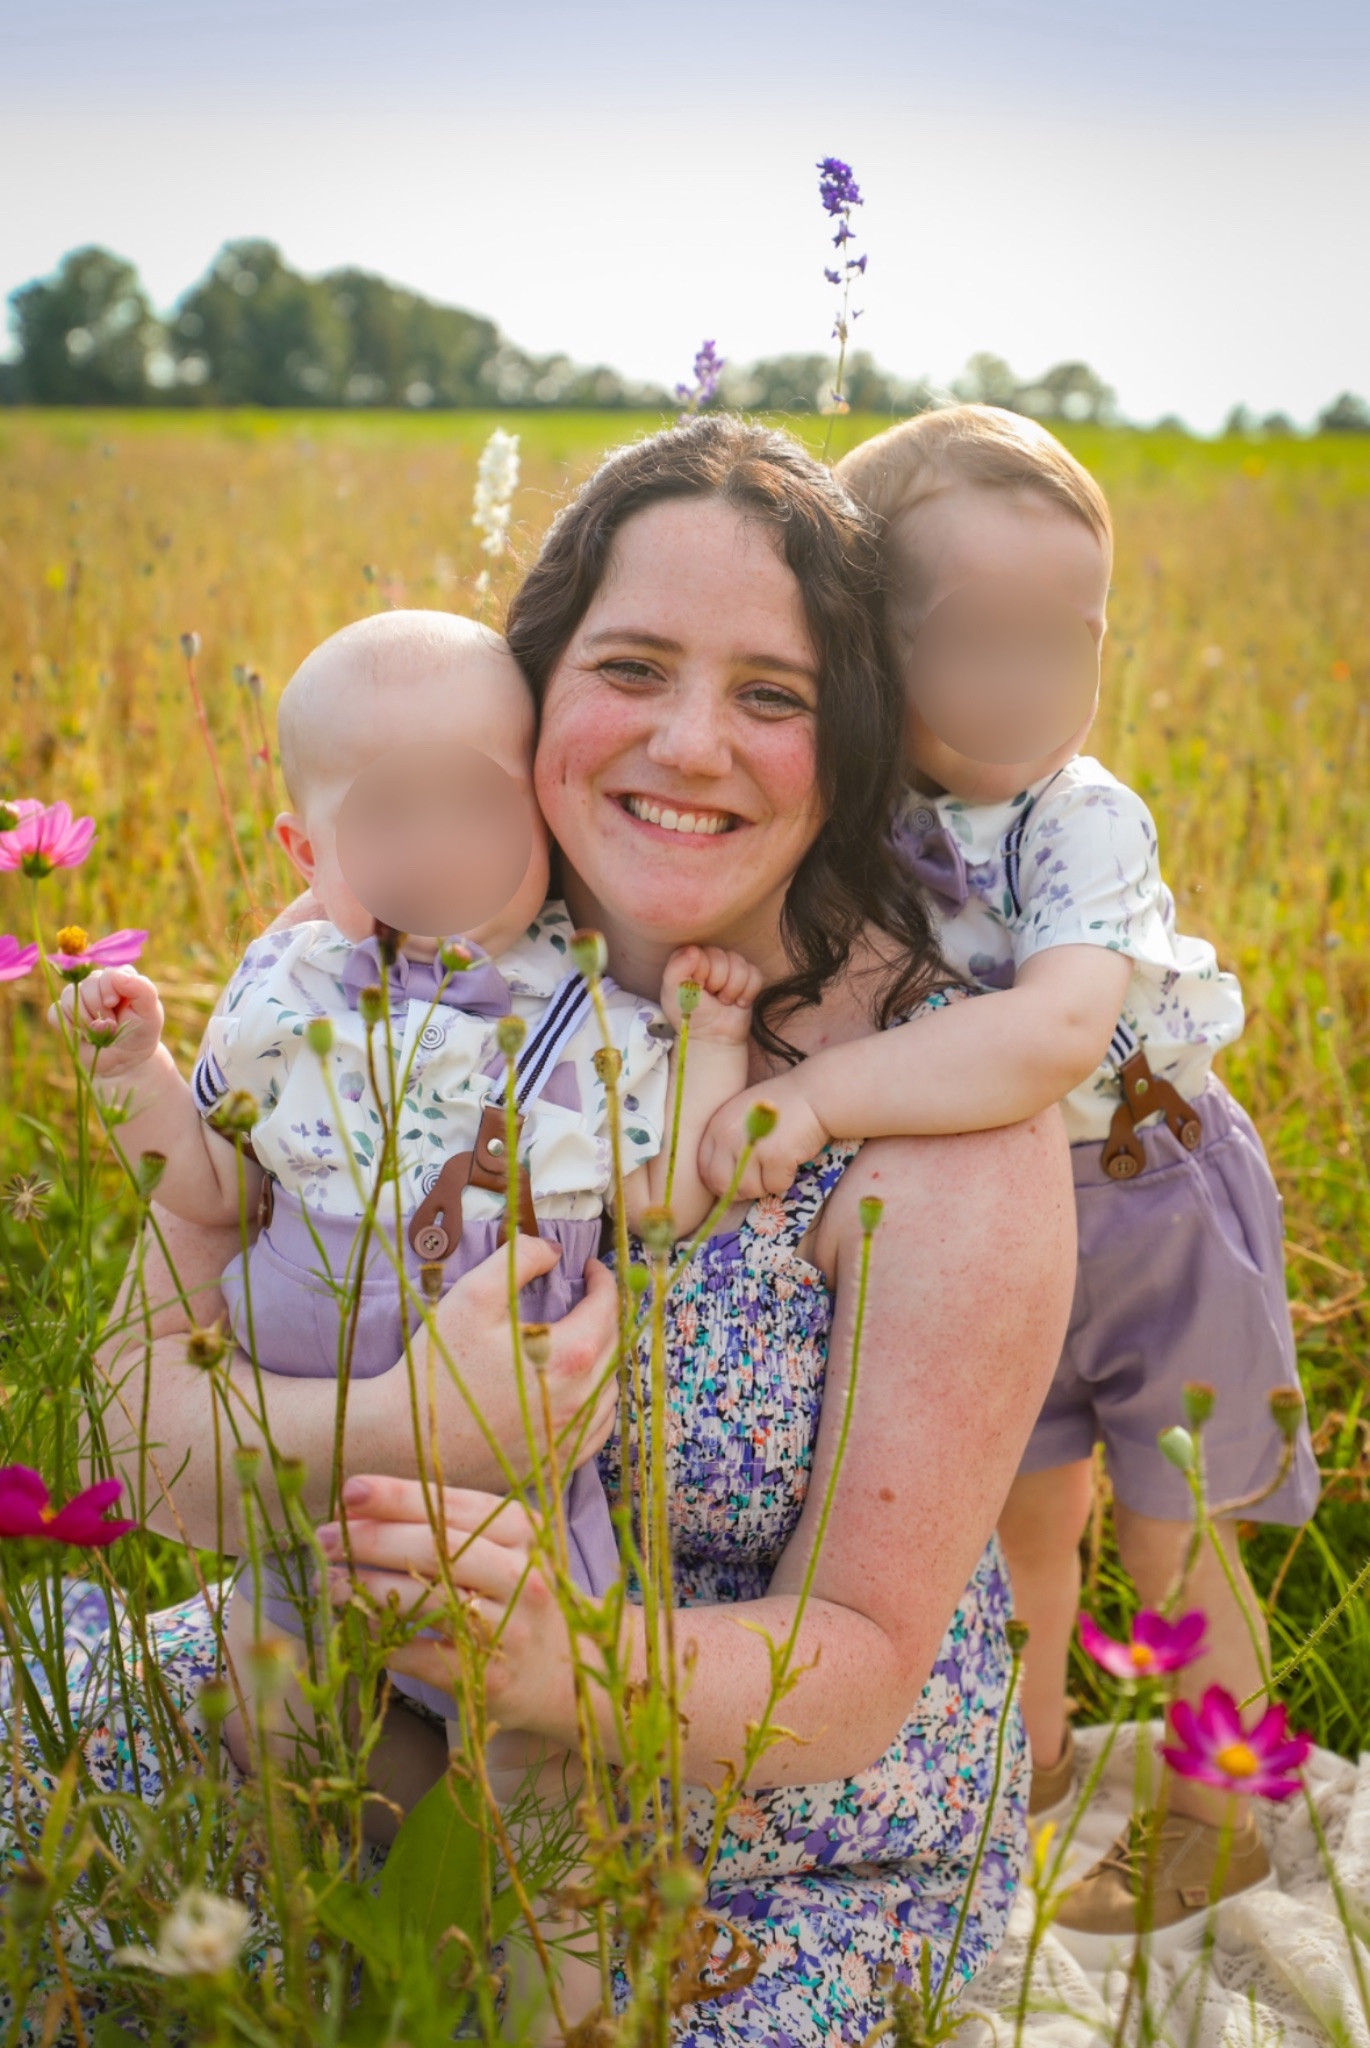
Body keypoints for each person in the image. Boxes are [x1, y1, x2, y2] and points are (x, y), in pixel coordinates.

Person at [69, 415, 1074, 2044]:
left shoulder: (942, 1107)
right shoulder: (359, 962)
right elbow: (133, 1423)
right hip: (320, 1725)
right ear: (526, 694)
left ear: (859, 732)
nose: (688, 744)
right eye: (630, 666)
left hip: (755, 1856)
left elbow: (862, 1664)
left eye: (773, 694)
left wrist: (563, 1664)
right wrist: (407, 1427)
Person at [698, 404, 1319, 1961]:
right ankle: (1013, 1779)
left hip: (1147, 1193)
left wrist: (827, 1098)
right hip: (987, 1231)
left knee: (1183, 1526)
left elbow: (1056, 1030)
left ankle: (1213, 1813)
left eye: (1072, 637)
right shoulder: (849, 818)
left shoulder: (1077, 811)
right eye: (981, 637)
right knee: (1015, 1519)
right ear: (862, 649)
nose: (1034, 681)